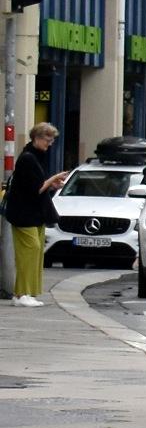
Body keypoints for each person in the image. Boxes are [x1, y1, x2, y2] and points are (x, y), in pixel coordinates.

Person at [6, 122, 59, 305]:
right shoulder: (28, 158)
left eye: (52, 140)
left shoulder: (34, 156)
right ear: (37, 137)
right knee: (31, 250)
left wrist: (50, 184)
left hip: (34, 213)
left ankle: (25, 292)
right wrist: (52, 179)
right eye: (48, 139)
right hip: (24, 213)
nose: (50, 143)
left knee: (34, 252)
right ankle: (22, 293)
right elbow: (35, 188)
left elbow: (35, 185)